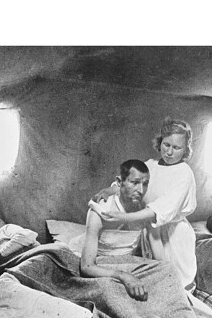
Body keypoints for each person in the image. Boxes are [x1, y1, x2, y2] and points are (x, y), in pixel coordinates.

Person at [93, 117, 197, 291]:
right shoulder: (151, 165)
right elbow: (132, 183)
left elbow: (160, 210)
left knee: (175, 283)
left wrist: (125, 217)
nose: (169, 152)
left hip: (173, 235)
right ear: (160, 142)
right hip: (149, 230)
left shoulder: (184, 173)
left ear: (185, 149)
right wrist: (111, 190)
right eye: (166, 145)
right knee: (151, 280)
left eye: (176, 148)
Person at [80, 159, 150, 302]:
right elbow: (86, 267)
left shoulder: (143, 208)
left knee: (167, 271)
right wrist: (123, 276)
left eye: (145, 184)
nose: (141, 190)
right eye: (135, 183)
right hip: (101, 267)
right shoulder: (101, 210)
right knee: (110, 293)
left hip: (129, 263)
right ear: (119, 182)